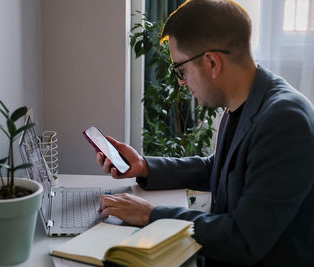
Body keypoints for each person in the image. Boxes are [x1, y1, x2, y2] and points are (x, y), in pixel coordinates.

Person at [95, 0, 314, 266]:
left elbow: (244, 238)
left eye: (181, 69)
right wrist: (144, 167)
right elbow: (217, 169)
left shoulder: (285, 121)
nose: (181, 81)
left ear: (212, 62)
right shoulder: (245, 100)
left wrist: (152, 214)